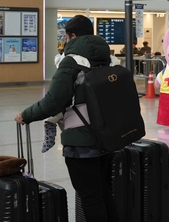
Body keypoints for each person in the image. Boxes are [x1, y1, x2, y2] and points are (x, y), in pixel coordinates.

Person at [15, 15, 118, 222]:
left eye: (66, 36)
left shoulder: (71, 62)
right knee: (104, 191)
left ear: (72, 35)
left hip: (82, 142)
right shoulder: (109, 59)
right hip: (108, 136)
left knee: (90, 197)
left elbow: (54, 101)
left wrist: (26, 115)